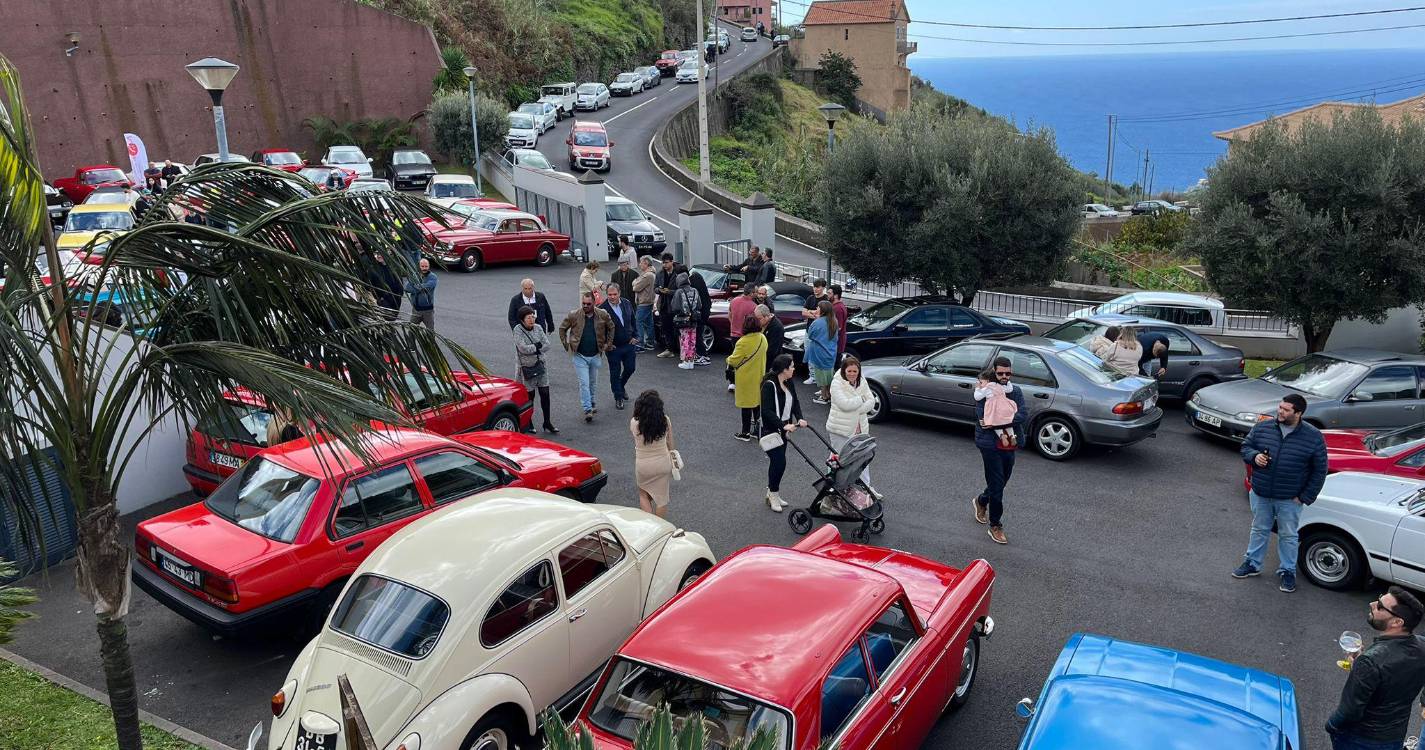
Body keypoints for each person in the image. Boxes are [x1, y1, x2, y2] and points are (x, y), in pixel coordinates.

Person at [1232, 393, 1329, 593]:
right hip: (1261, 492)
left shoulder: (1313, 436)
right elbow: (1246, 447)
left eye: (1286, 410)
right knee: (1259, 529)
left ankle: (1287, 571)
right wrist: (1254, 456)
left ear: (1299, 413)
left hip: (1289, 498)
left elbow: (1320, 470)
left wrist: (1304, 497)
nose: (1280, 411)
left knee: (1288, 536)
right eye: (1280, 407)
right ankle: (1252, 563)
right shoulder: (1263, 427)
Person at [1325, 587, 1425, 750]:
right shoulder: (1422, 644)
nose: (1372, 604)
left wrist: (1331, 725)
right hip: (1395, 735)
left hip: (1361, 739)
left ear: (1397, 622)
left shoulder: (1369, 662)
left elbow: (1350, 711)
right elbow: (1390, 677)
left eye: (1380, 605)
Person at [972, 357, 1025, 545]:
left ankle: (982, 500)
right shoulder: (987, 391)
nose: (1004, 376)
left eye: (1008, 373)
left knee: (1003, 480)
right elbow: (983, 417)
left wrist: (1000, 419)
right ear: (994, 372)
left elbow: (1022, 414)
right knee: (996, 482)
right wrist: (1007, 418)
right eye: (1000, 373)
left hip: (1009, 443)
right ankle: (995, 525)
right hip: (989, 444)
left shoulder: (1015, 391)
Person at [826, 356, 879, 498]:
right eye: (849, 371)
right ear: (844, 370)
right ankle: (831, 487)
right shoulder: (836, 383)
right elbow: (843, 404)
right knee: (837, 459)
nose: (852, 374)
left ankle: (867, 488)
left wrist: (857, 408)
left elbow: (871, 401)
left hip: (859, 428)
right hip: (840, 429)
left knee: (863, 458)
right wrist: (861, 400)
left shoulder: (862, 380)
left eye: (855, 371)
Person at [760, 354, 806, 512]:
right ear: (784, 369)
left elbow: (795, 402)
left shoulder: (789, 382)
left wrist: (800, 418)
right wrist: (782, 425)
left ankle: (772, 492)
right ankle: (773, 494)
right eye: (791, 366)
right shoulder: (769, 385)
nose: (794, 369)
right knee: (779, 462)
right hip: (772, 429)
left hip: (785, 427)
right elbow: (766, 411)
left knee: (778, 463)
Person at [559, 292, 615, 422]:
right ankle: (587, 409)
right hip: (579, 355)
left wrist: (608, 344)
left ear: (594, 303)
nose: (585, 306)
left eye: (588, 304)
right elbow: (562, 329)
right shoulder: (574, 315)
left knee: (593, 382)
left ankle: (592, 402)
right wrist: (567, 345)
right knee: (584, 383)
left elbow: (611, 327)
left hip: (596, 354)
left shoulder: (602, 314)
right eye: (583, 303)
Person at [631, 389, 679, 518]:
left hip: (644, 464)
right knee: (661, 499)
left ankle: (650, 525)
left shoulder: (635, 423)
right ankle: (660, 526)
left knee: (643, 495)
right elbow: (671, 443)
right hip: (663, 463)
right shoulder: (665, 420)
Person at [513, 305, 559, 434]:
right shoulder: (518, 330)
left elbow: (547, 345)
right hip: (527, 368)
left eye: (533, 316)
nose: (532, 319)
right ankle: (529, 422)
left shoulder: (538, 328)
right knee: (530, 397)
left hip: (541, 365)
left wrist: (534, 348)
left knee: (545, 393)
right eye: (529, 317)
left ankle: (547, 422)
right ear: (522, 319)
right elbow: (523, 348)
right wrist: (537, 347)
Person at [600, 282, 638, 410]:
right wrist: (606, 344)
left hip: (628, 344)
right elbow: (599, 330)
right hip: (613, 347)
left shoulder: (626, 303)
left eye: (614, 294)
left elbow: (633, 320)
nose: (612, 297)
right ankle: (618, 397)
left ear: (619, 293)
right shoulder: (602, 309)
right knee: (615, 373)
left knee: (630, 368)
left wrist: (636, 336)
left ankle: (621, 386)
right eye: (609, 294)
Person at [728, 315, 767, 441]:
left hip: (746, 378)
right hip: (759, 375)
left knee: (745, 406)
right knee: (756, 403)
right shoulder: (762, 338)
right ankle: (757, 429)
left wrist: (728, 359)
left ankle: (745, 433)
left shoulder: (743, 342)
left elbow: (734, 360)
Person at [975, 366, 1019, 448]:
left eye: (981, 382)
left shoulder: (987, 388)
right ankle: (1012, 436)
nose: (980, 384)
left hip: (995, 408)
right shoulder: (1000, 386)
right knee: (1007, 422)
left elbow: (977, 397)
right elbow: (1010, 389)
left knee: (995, 423)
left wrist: (977, 388)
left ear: (987, 381)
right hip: (1005, 406)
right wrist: (1008, 381)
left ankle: (1002, 436)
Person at [805, 300, 838, 405]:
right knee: (828, 375)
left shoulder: (818, 322)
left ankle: (824, 397)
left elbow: (810, 334)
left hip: (819, 353)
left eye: (818, 307)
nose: (817, 309)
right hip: (831, 352)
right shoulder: (834, 321)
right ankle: (828, 394)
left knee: (821, 376)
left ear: (823, 310)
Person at [670, 272, 701, 370]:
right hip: (694, 319)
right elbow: (699, 305)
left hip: (683, 319)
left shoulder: (679, 291)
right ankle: (691, 361)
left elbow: (674, 307)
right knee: (692, 340)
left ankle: (686, 361)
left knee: (685, 340)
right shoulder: (695, 290)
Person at [367, 252, 403, 320]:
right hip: (383, 298)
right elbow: (369, 284)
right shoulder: (373, 269)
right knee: (389, 318)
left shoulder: (394, 266)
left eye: (381, 254)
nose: (379, 256)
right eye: (377, 254)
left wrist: (400, 293)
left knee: (393, 318)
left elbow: (399, 280)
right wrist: (378, 297)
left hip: (396, 296)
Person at [687, 266, 713, 365]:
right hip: (703, 314)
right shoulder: (703, 291)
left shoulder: (696, 290)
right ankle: (700, 354)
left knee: (698, 335)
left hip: (700, 315)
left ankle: (703, 355)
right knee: (698, 335)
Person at [655, 252, 678, 358]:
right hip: (664, 305)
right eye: (663, 263)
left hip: (675, 305)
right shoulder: (660, 273)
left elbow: (681, 290)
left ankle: (678, 348)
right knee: (666, 328)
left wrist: (669, 292)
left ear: (672, 262)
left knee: (676, 328)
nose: (664, 265)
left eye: (666, 263)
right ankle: (669, 349)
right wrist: (659, 290)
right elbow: (655, 287)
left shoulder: (678, 273)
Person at [632, 256, 658, 352]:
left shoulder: (648, 275)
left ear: (646, 263)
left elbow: (635, 287)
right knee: (648, 322)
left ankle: (640, 344)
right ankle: (650, 343)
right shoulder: (649, 274)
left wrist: (635, 282)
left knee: (638, 322)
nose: (639, 264)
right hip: (648, 301)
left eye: (641, 262)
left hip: (644, 302)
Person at [405, 258, 436, 329]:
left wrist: (415, 287)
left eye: (426, 266)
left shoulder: (433, 277)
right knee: (412, 331)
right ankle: (410, 340)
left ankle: (431, 340)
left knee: (430, 332)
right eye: (422, 266)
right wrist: (419, 288)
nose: (424, 268)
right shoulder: (414, 275)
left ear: (429, 266)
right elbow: (407, 288)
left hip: (428, 311)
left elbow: (427, 287)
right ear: (419, 266)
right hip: (416, 310)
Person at [829, 284, 848, 365]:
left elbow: (838, 327)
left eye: (829, 293)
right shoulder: (836, 306)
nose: (828, 295)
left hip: (835, 345)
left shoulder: (838, 308)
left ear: (836, 295)